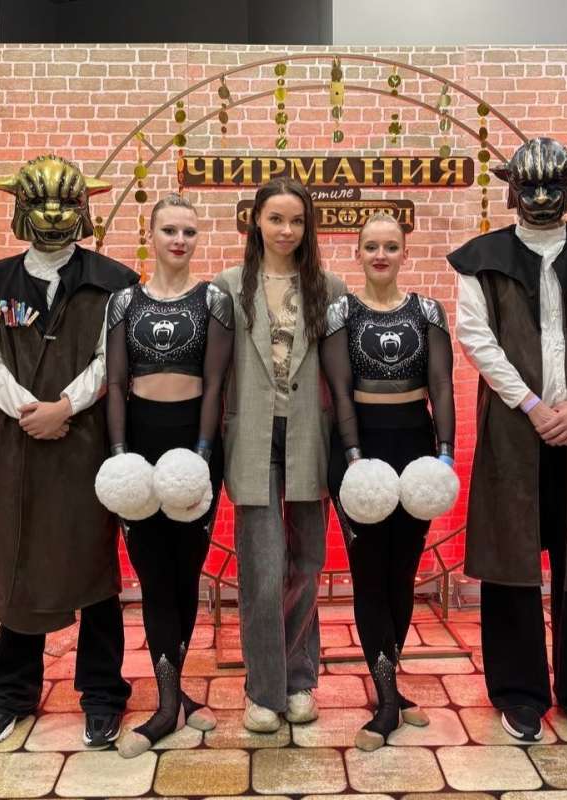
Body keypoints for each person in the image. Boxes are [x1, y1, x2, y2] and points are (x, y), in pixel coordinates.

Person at [447, 137, 567, 743]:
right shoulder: (483, 258)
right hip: (513, 426)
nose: (543, 197)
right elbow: (477, 338)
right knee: (512, 563)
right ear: (513, 188)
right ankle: (519, 691)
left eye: (554, 185)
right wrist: (530, 405)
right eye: (530, 186)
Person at [0, 155, 136, 747]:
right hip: (18, 443)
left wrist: (65, 406)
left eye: (64, 204)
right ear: (20, 208)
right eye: (40, 204)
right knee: (20, 558)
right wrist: (27, 410)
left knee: (94, 565)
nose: (53, 215)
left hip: (85, 441)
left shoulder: (113, 283)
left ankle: (103, 692)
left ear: (82, 209)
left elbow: (110, 358)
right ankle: (11, 691)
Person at [203, 178, 346, 732]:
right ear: (256, 222)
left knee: (307, 564)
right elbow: (216, 372)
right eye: (276, 219)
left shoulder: (329, 288)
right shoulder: (227, 287)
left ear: (308, 227)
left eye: (296, 221)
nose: (286, 230)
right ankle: (264, 690)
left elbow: (340, 371)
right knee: (262, 570)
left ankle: (300, 679)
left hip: (311, 432)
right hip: (252, 435)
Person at [320, 212, 455, 750]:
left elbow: (441, 386)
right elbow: (339, 390)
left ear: (404, 252)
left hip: (416, 450)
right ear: (357, 253)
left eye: (390, 246)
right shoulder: (340, 312)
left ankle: (391, 689)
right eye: (371, 246)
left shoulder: (428, 311)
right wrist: (354, 458)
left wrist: (445, 454)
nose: (381, 255)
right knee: (370, 574)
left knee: (403, 573)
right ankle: (386, 701)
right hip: (359, 452)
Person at [105, 193, 232, 757]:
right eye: (170, 230)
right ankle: (167, 704)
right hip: (139, 444)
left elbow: (217, 383)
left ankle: (172, 695)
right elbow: (115, 383)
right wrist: (119, 454)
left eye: (189, 231)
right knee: (153, 575)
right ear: (150, 235)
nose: (180, 240)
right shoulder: (123, 301)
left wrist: (202, 454)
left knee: (185, 574)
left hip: (195, 448)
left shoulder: (214, 301)